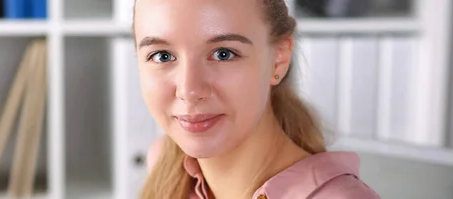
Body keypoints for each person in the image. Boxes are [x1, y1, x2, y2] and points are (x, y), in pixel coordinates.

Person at [132, 0, 381, 198]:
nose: (189, 90)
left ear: (278, 59)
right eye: (162, 56)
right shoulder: (165, 163)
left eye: (223, 54)